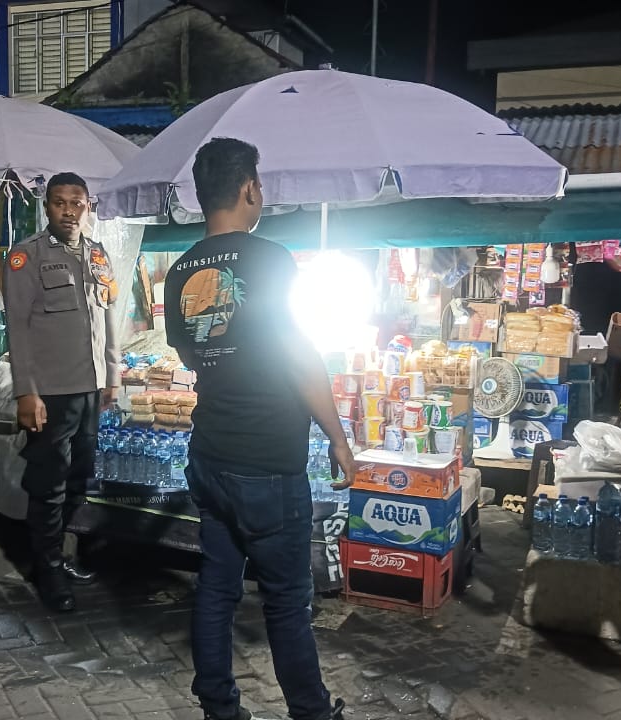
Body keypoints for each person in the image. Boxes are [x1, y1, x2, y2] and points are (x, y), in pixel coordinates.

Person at [163, 138, 351, 720]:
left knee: (217, 589)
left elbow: (189, 354)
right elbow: (299, 356)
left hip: (211, 453)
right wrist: (339, 438)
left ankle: (219, 707)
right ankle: (311, 713)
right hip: (269, 460)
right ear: (248, 188)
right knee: (287, 602)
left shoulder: (178, 271)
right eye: (260, 184)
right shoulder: (271, 259)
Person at [4, 172, 120, 613]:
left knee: (79, 477)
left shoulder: (96, 254)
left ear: (87, 206)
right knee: (48, 485)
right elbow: (17, 327)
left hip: (90, 389)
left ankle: (60, 553)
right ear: (47, 207)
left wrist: (111, 375)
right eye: (59, 203)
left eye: (77, 202)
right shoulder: (25, 257)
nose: (68, 210)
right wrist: (25, 393)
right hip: (49, 392)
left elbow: (107, 315)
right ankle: (47, 568)